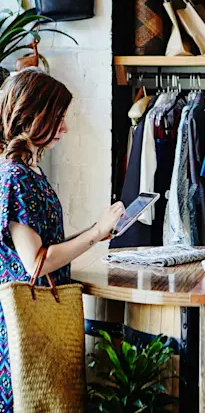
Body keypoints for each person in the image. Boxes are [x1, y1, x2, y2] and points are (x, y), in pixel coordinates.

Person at [0, 68, 124, 411]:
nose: (65, 128)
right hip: (25, 319)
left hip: (34, 318)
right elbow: (37, 263)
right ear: (33, 116)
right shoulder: (15, 177)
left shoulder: (29, 172)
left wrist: (95, 231)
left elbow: (45, 243)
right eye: (59, 118)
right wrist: (96, 234)